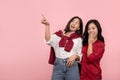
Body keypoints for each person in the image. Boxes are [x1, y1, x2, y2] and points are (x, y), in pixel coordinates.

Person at [41, 15, 83, 80]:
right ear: (69, 23)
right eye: (73, 21)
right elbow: (48, 40)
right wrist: (47, 26)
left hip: (72, 66)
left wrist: (75, 56)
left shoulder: (79, 39)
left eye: (77, 23)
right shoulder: (58, 35)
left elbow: (79, 56)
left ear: (78, 28)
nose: (74, 23)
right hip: (58, 66)